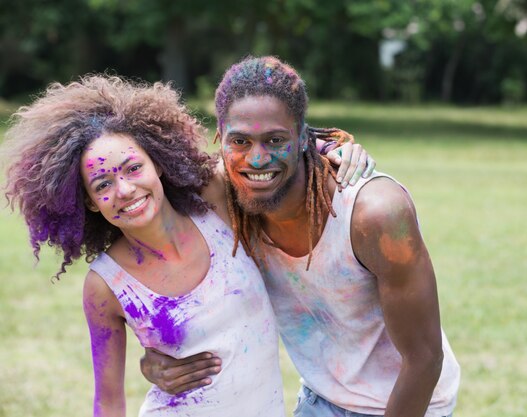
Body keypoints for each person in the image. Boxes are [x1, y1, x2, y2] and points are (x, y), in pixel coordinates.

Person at [1, 75, 372, 417]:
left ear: (157, 164)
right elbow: (108, 400)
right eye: (102, 185)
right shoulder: (105, 285)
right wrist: (151, 365)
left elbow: (262, 154)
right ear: (89, 203)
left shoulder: (213, 202)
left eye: (133, 168)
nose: (125, 190)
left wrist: (333, 146)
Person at [142, 56, 461, 417]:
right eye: (240, 141)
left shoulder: (375, 213)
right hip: (319, 401)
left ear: (302, 136)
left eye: (275, 139)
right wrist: (153, 362)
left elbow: (424, 359)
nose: (257, 159)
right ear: (220, 137)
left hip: (409, 404)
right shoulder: (223, 196)